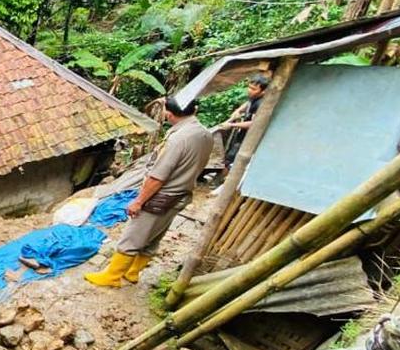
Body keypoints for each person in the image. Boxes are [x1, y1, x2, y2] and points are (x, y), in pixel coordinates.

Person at [86, 97, 214, 288]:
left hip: (161, 196)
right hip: (180, 195)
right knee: (154, 236)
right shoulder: (204, 134)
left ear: (168, 114)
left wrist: (138, 201)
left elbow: (158, 177)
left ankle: (112, 276)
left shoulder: (178, 139)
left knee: (133, 236)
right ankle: (132, 272)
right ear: (194, 110)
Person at [218, 74, 269, 171]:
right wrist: (238, 111)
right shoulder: (254, 97)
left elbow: (254, 124)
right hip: (242, 134)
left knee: (233, 160)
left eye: (254, 89)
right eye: (249, 87)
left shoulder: (261, 104)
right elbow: (248, 103)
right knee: (229, 156)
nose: (250, 91)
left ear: (263, 91)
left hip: (249, 138)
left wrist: (232, 125)